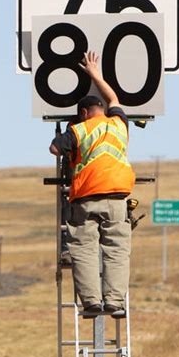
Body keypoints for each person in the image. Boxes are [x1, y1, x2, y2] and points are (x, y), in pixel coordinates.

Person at [49, 51, 136, 317]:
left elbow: (54, 149)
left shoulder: (79, 130)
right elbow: (113, 98)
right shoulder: (120, 124)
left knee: (84, 250)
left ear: (84, 113)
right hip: (118, 198)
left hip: (86, 197)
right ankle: (115, 302)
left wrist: (70, 136)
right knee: (117, 251)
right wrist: (95, 74)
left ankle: (91, 303)